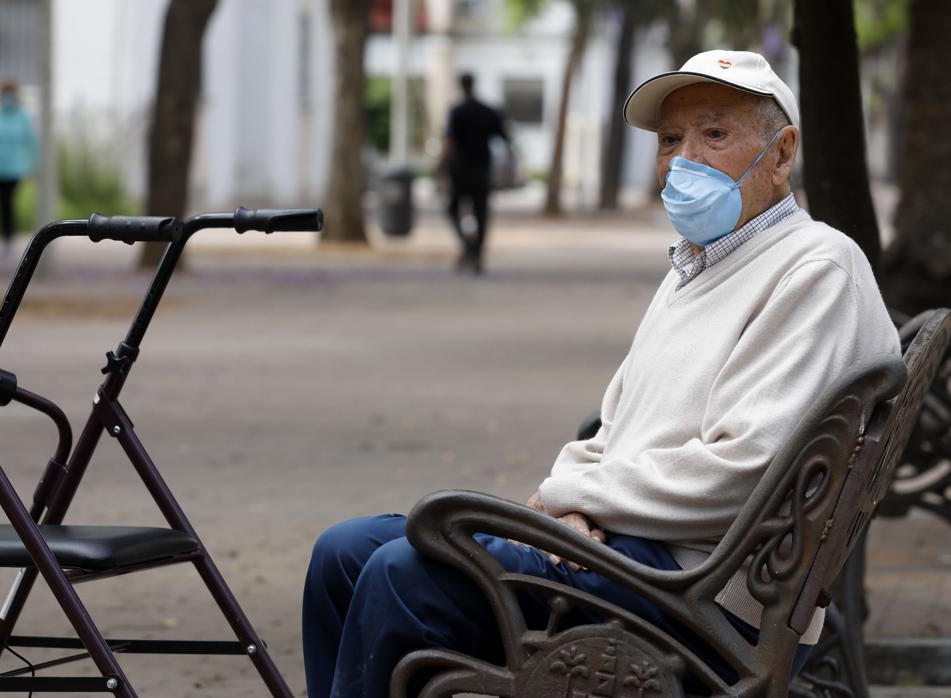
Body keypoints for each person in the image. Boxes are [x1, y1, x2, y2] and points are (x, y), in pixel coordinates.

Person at [302, 50, 901, 698]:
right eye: (669, 140)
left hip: (698, 595)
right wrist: (570, 498)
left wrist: (580, 501)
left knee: (401, 573)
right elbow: (612, 429)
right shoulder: (696, 268)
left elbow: (746, 471)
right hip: (634, 556)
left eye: (714, 133)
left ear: (781, 154)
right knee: (343, 553)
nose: (682, 159)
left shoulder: (815, 270)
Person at [443, 73, 508, 275]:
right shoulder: (488, 111)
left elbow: (449, 141)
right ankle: (475, 252)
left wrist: (441, 166)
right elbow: (504, 137)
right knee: (481, 214)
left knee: (453, 210)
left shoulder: (457, 111)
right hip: (481, 169)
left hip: (461, 169)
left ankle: (468, 246)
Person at [0, 80, 37, 256]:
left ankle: (9, 237)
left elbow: (31, 143)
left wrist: (34, 166)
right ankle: (4, 237)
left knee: (9, 202)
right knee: (1, 203)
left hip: (15, 169)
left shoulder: (22, 117)